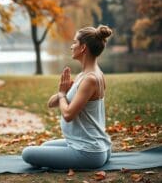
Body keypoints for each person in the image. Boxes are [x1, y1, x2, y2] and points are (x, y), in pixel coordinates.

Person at [22, 25, 113, 170]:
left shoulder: (90, 79)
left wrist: (63, 94)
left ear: (83, 48)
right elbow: (52, 104)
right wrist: (61, 92)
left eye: (75, 42)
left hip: (89, 153)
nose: (71, 46)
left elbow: (68, 114)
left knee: (27, 153)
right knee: (44, 146)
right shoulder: (87, 75)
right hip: (90, 145)